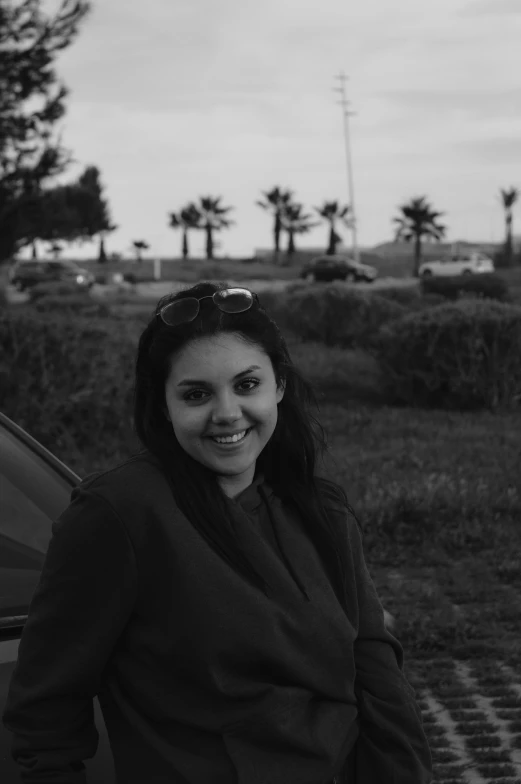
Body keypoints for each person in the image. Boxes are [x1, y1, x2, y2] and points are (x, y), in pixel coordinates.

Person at [2, 281, 433, 784]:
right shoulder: (119, 515)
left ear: (280, 386)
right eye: (197, 394)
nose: (227, 413)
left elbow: (376, 669)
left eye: (246, 384)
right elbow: (46, 713)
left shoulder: (320, 508)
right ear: (164, 405)